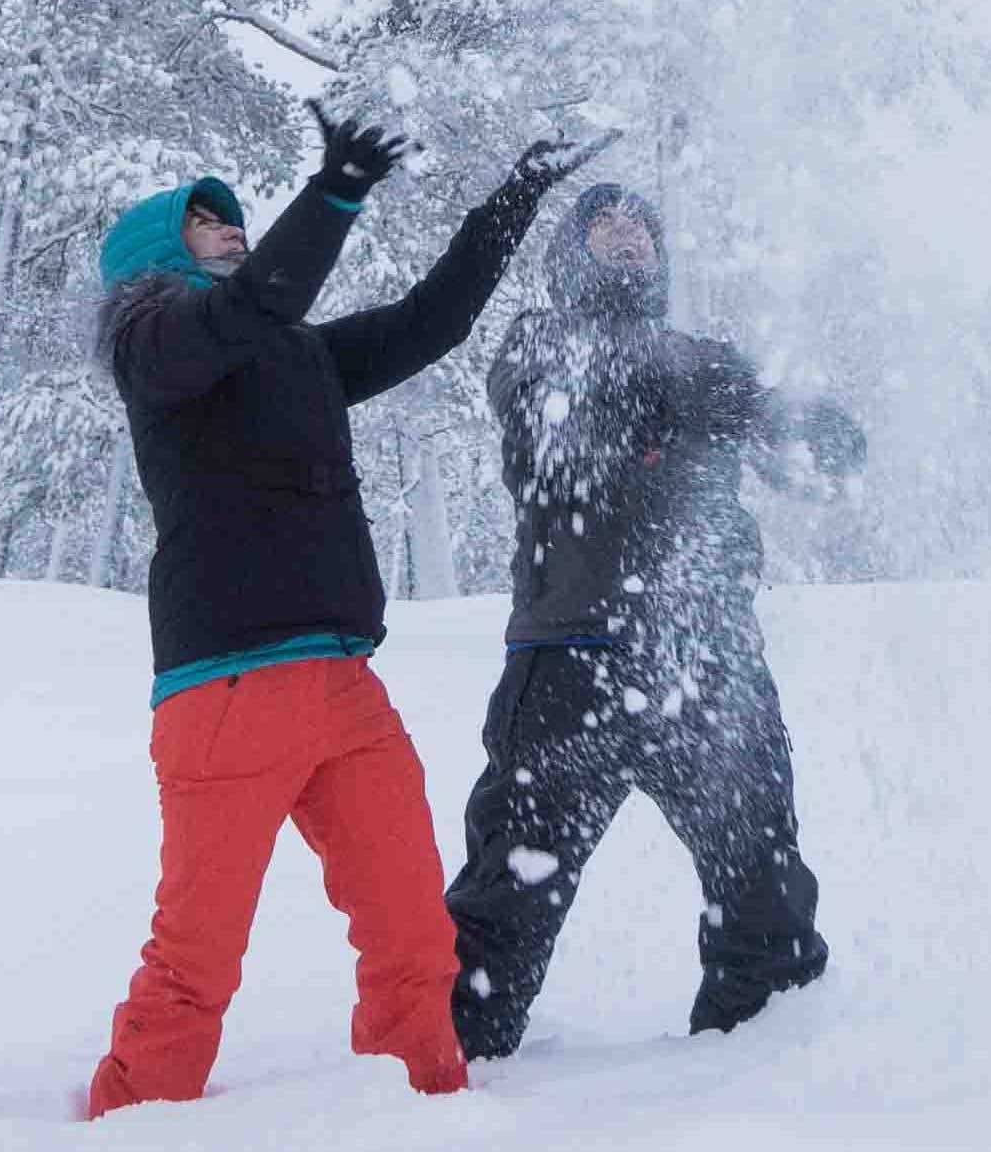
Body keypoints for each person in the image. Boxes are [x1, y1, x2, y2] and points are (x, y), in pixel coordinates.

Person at [83, 103, 596, 1117]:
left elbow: (427, 322)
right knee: (197, 955)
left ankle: (423, 1109)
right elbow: (239, 313)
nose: (229, 228)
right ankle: (131, 1118)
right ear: (154, 250)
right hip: (228, 686)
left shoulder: (292, 351)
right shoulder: (155, 346)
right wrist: (335, 191)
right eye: (204, 222)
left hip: (344, 686)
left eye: (231, 218)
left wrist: (512, 203)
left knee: (414, 933)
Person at [447, 181, 864, 1061]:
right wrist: (688, 394)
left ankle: (756, 1078)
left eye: (641, 226)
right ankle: (446, 1076)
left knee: (766, 895)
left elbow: (793, 456)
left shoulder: (706, 360)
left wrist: (813, 431)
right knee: (503, 908)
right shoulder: (535, 346)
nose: (628, 235)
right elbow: (565, 431)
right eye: (605, 225)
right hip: (570, 665)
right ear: (572, 252)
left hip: (706, 665)